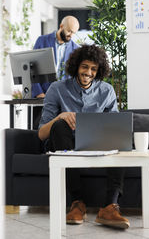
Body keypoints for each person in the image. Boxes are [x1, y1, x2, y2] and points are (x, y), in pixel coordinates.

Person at [38, 44, 130, 229]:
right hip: (63, 143)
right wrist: (60, 116)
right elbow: (41, 134)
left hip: (95, 143)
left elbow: (114, 127)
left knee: (119, 136)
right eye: (85, 66)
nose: (88, 72)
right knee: (60, 126)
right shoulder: (57, 88)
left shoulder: (106, 91)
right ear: (76, 66)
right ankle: (77, 203)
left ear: (99, 71)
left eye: (94, 69)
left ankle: (109, 207)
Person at [32, 15, 80, 98]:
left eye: (74, 33)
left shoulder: (76, 49)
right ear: (61, 26)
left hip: (65, 97)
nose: (71, 35)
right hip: (43, 95)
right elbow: (32, 68)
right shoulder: (42, 41)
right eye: (69, 31)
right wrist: (38, 93)